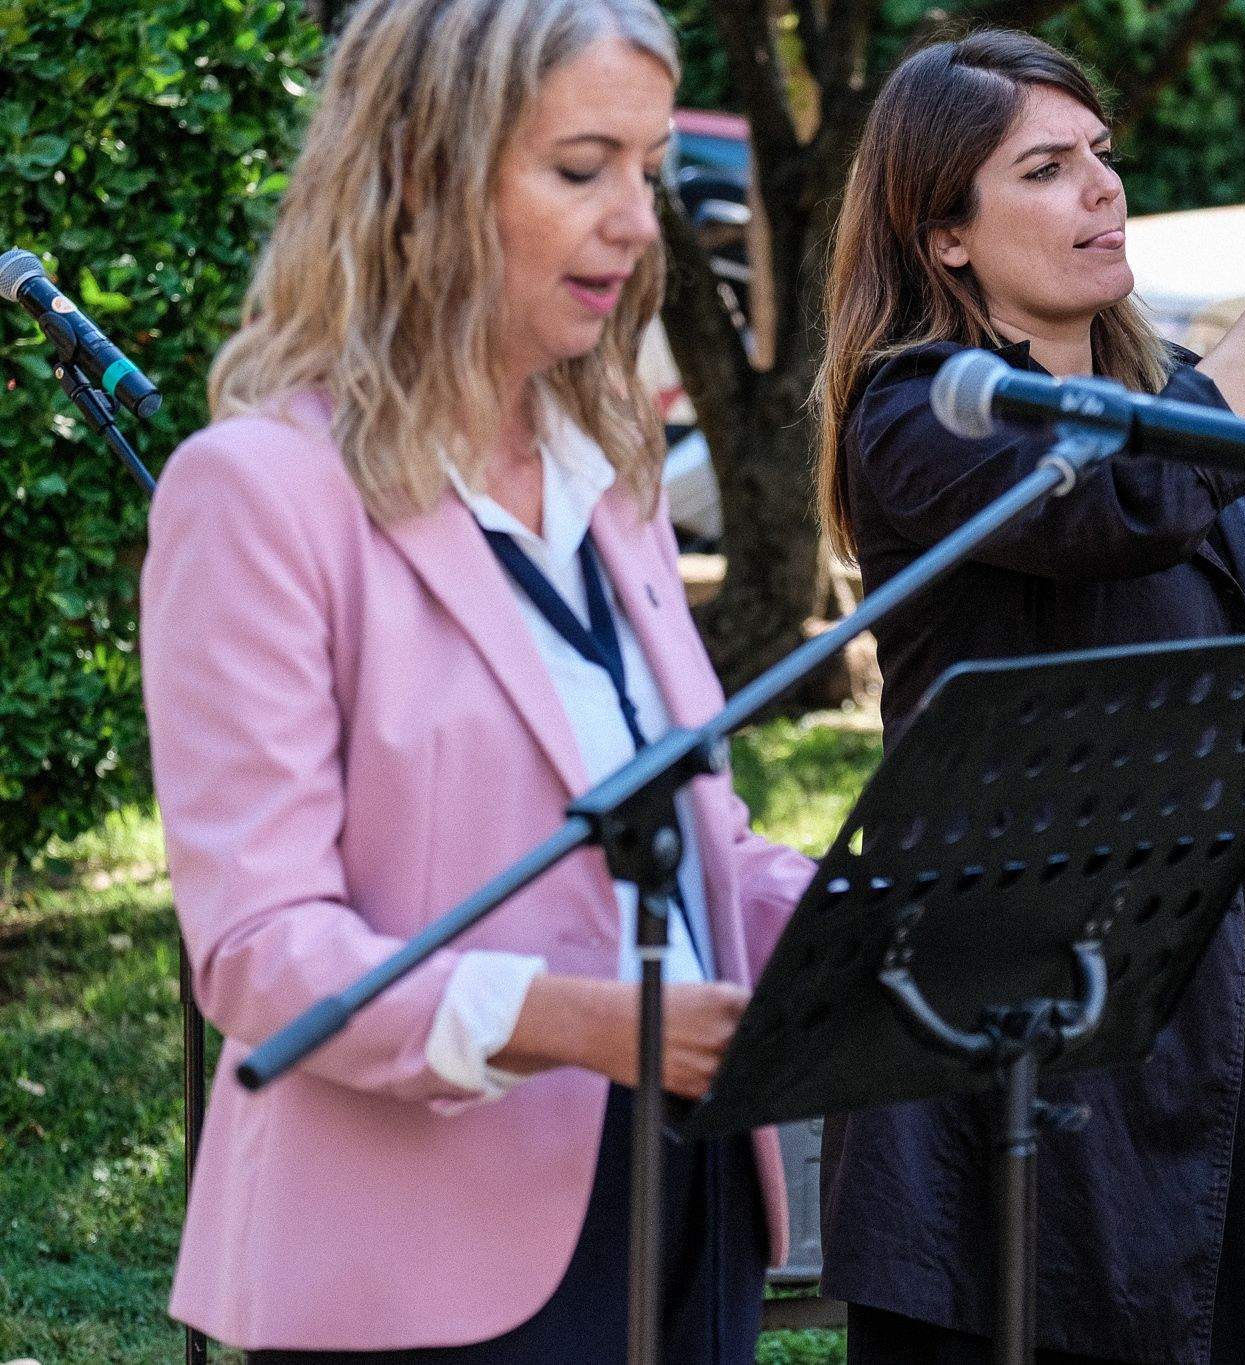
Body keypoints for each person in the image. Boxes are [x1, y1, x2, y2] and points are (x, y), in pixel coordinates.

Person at [813, 30, 1245, 1363]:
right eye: (1046, 167)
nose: (1102, 188)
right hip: (1001, 1037)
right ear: (946, 234)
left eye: (1102, 156)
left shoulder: (1159, 396)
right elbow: (1128, 507)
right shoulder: (919, 413)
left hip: (1201, 1004)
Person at [140, 1, 814, 1358]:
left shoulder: (603, 477)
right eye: (583, 169)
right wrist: (572, 1022)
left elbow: (697, 842)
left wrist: (886, 906)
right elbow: (262, 951)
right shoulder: (258, 492)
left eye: (650, 170)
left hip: (691, 1197)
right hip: (420, 1267)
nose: (638, 223)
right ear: (422, 176)